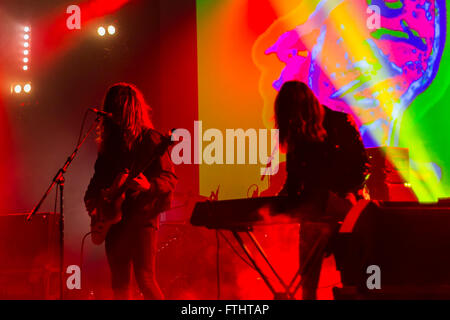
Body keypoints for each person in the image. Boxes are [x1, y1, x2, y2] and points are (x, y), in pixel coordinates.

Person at [275, 80, 370, 300]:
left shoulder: (339, 122)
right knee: (308, 282)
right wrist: (277, 201)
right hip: (315, 212)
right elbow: (294, 178)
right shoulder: (299, 134)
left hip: (346, 209)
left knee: (352, 279)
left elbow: (361, 165)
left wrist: (344, 194)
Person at [84, 83, 177, 299]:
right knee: (119, 283)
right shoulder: (110, 146)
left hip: (142, 218)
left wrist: (149, 186)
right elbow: (95, 184)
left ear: (127, 109)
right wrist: (95, 206)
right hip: (114, 222)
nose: (111, 114)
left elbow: (170, 178)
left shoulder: (151, 140)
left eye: (115, 108)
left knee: (145, 278)